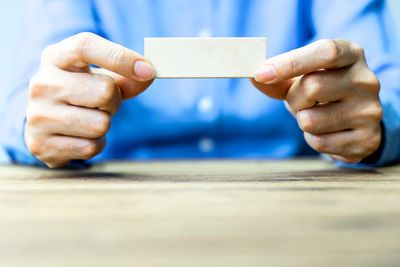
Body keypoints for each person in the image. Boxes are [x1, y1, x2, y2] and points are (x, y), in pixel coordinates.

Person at [1, 0, 400, 168]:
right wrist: (38, 124)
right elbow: (28, 94)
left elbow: (383, 85)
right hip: (106, 207)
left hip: (300, 201)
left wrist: (374, 123)